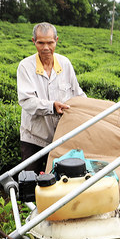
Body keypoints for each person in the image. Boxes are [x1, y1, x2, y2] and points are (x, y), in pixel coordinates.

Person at [16, 22, 85, 162]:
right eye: (41, 43)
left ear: (56, 41)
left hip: (61, 137)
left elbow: (78, 94)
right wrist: (52, 106)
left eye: (50, 42)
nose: (46, 48)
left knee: (59, 179)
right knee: (30, 179)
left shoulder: (65, 64)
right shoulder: (25, 67)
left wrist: (90, 108)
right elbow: (26, 101)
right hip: (34, 138)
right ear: (34, 41)